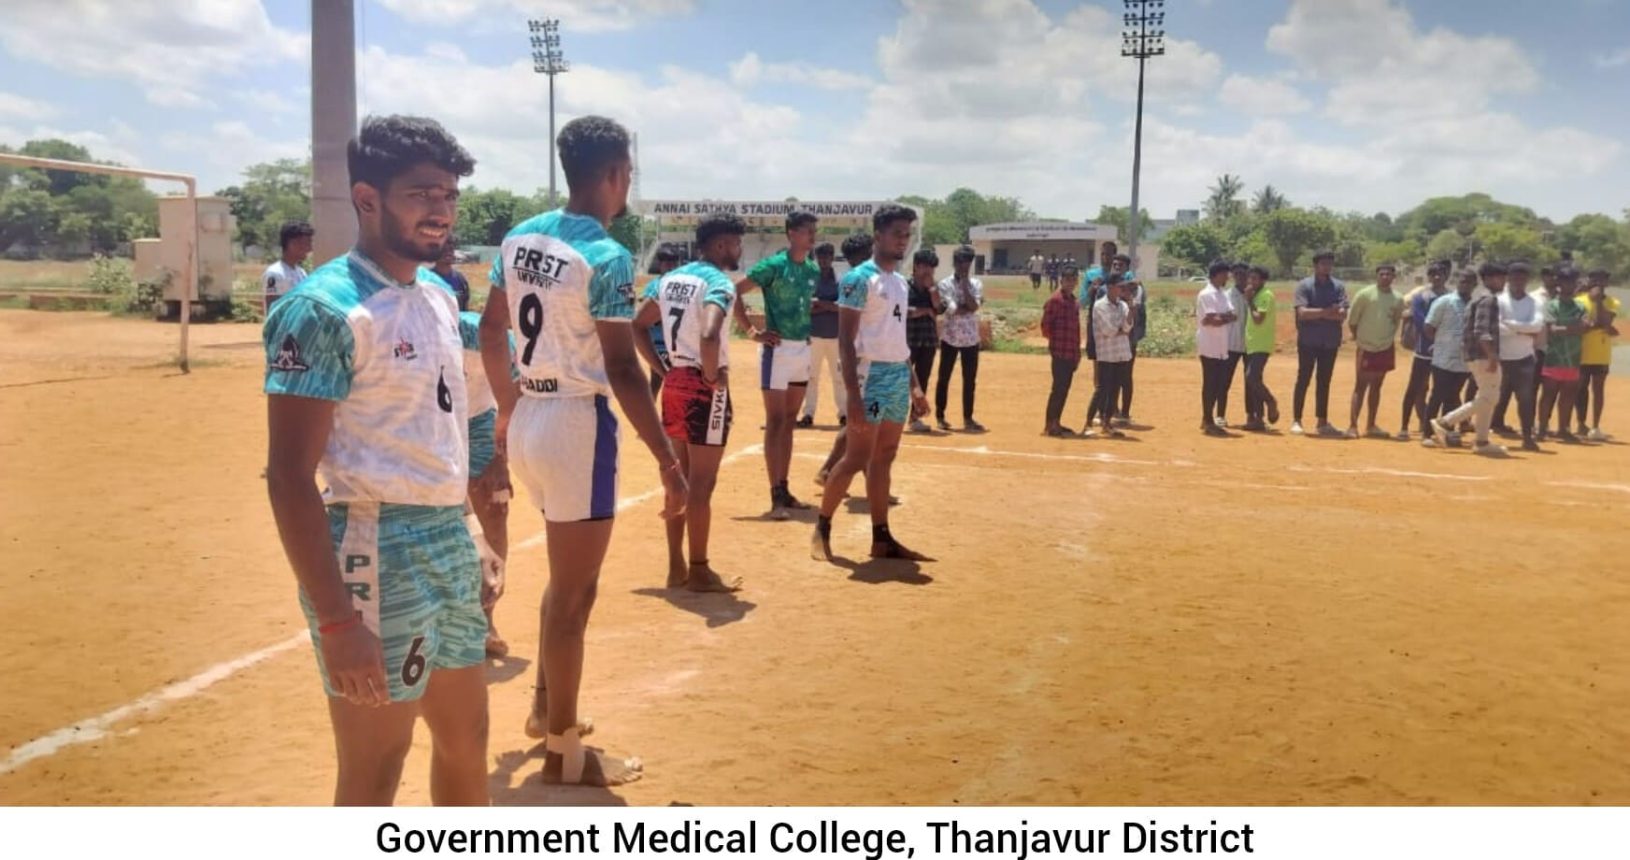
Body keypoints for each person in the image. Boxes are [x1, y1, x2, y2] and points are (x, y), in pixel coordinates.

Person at [262, 115, 488, 805]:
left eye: (449, 195)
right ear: (367, 199)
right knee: (376, 764)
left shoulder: (439, 297)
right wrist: (338, 621)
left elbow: (440, 428)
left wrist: (472, 530)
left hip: (444, 538)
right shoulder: (323, 309)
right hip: (373, 546)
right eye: (421, 194)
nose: (441, 211)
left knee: (467, 740)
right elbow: (289, 477)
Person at [480, 114, 686, 787]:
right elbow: (623, 368)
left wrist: (507, 407)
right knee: (575, 595)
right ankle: (564, 755)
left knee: (563, 584)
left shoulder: (519, 236)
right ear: (616, 174)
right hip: (577, 426)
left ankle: (549, 709)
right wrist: (668, 459)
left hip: (531, 415)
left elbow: (491, 329)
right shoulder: (606, 255)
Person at [632, 213, 747, 594]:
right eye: (735, 243)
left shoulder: (668, 279)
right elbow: (710, 335)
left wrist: (663, 370)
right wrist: (711, 377)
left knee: (677, 477)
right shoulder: (718, 282)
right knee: (701, 484)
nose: (739, 250)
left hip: (676, 382)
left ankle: (675, 565)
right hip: (703, 385)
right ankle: (699, 569)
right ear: (720, 244)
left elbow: (638, 324)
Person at [811, 204, 932, 562]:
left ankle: (881, 538)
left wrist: (914, 385)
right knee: (856, 457)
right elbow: (846, 341)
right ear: (878, 235)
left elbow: (897, 338)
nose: (903, 240)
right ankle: (822, 528)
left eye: (907, 234)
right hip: (871, 379)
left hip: (896, 376)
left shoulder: (900, 283)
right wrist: (853, 395)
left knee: (885, 456)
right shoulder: (859, 279)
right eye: (897, 234)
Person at [733, 210, 820, 520]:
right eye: (807, 230)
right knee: (775, 420)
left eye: (814, 230)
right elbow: (734, 291)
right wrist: (751, 331)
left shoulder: (812, 269)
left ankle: (784, 487)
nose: (813, 235)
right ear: (791, 233)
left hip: (802, 349)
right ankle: (775, 495)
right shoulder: (773, 266)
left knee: (789, 421)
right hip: (777, 350)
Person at [458, 309, 514, 658]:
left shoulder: (494, 340)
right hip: (430, 420)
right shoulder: (411, 336)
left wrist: (500, 459)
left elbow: (517, 400)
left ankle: (485, 619)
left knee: (495, 507)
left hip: (480, 419)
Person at [814, 233, 875, 485]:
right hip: (860, 359)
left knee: (866, 420)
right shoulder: (854, 281)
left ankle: (842, 472)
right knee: (862, 420)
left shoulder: (872, 280)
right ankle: (830, 469)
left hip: (872, 359)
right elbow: (847, 330)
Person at [1430, 262, 1506, 457]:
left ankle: (1481, 441)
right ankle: (1445, 422)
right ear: (1488, 279)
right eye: (1500, 277)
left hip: (1474, 354)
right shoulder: (1488, 299)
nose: (1503, 281)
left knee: (1486, 397)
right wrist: (1491, 355)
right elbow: (1481, 331)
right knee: (1489, 397)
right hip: (1482, 354)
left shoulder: (1477, 298)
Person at [1343, 263, 1404, 438]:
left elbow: (1396, 320)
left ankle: (1371, 425)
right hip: (1366, 346)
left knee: (1377, 386)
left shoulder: (1398, 299)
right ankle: (1352, 426)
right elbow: (1353, 321)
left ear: (1393, 277)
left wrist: (1387, 339)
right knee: (1360, 386)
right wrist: (1360, 339)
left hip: (1385, 346)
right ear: (1376, 276)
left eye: (1389, 274)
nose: (1385, 277)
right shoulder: (1365, 295)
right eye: (1382, 274)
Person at [1291, 250, 1348, 436]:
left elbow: (1342, 314)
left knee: (1324, 381)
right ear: (1315, 266)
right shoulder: (1304, 286)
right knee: (1303, 379)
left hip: (1330, 341)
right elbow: (1302, 313)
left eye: (1330, 264)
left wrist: (1318, 313)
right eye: (1323, 264)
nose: (1327, 267)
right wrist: (1327, 312)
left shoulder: (1338, 286)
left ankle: (1322, 422)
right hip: (1308, 340)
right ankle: (1297, 420)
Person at [1421, 269, 1477, 447]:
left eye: (1469, 282)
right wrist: (1442, 343)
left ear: (1475, 285)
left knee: (1453, 397)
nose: (1465, 285)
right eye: (1462, 281)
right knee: (1437, 394)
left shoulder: (1475, 305)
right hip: (1443, 359)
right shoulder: (1444, 301)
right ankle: (1427, 433)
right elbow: (1429, 327)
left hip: (1464, 361)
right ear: (1456, 282)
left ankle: (1447, 432)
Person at [1492, 260, 1544, 452]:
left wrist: (1511, 325)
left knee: (1526, 399)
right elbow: (1497, 327)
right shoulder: (1499, 300)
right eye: (1515, 277)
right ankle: (1486, 432)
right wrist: (1524, 330)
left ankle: (1527, 437)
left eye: (1522, 277)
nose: (1518, 281)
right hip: (1501, 358)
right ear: (1509, 278)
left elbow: (1537, 326)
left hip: (1524, 358)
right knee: (1492, 397)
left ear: (1527, 279)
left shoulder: (1534, 302)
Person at [1397, 259, 1450, 440]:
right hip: (1424, 351)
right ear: (1428, 277)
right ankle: (1404, 426)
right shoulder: (1421, 297)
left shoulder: (1451, 297)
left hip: (1445, 351)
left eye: (1440, 274)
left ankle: (1438, 427)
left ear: (1446, 276)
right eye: (1433, 274)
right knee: (1414, 388)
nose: (1437, 277)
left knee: (1443, 390)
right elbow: (1421, 323)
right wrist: (1436, 338)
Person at [1538, 266, 1591, 444]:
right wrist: (1575, 328)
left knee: (1568, 395)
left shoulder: (1581, 306)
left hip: (1573, 358)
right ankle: (1542, 428)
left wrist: (1565, 328)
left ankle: (1563, 429)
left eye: (1572, 282)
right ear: (1559, 283)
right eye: (1566, 281)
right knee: (1548, 395)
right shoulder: (1551, 305)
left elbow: (1586, 327)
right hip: (1554, 357)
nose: (1569, 285)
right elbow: (1552, 330)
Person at [935, 245, 985, 432]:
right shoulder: (944, 284)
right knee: (944, 377)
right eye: (961, 264)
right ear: (955, 263)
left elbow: (974, 307)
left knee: (969, 380)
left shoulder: (976, 284)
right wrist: (967, 307)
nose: (965, 268)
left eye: (968, 264)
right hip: (950, 336)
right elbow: (952, 309)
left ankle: (968, 418)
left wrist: (964, 287)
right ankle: (940, 416)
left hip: (971, 338)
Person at [799, 242, 844, 428]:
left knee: (839, 377)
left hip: (835, 336)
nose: (824, 260)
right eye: (821, 257)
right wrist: (830, 306)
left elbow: (843, 307)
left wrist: (821, 304)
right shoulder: (810, 280)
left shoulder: (840, 280)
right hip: (814, 335)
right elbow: (805, 308)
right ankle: (808, 413)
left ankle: (844, 414)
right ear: (816, 258)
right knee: (811, 377)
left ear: (832, 257)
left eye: (827, 256)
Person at [1574, 269, 1618, 440]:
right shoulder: (1579, 300)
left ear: (1607, 282)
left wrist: (1599, 302)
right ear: (1590, 280)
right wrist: (1601, 326)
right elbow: (1582, 325)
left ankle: (1595, 426)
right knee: (1580, 388)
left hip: (1601, 352)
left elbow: (1603, 321)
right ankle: (1581, 423)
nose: (1599, 282)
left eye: (1602, 279)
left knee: (1598, 389)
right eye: (1595, 279)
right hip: (1581, 351)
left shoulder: (1612, 302)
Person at [1195, 259, 1237, 437]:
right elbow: (1213, 320)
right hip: (1209, 344)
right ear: (1216, 275)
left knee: (1218, 383)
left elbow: (1232, 315)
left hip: (1221, 344)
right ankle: (1208, 419)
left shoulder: (1222, 293)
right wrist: (1222, 317)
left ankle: (1207, 419)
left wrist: (1220, 318)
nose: (1227, 277)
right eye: (1225, 274)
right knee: (1210, 383)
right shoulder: (1207, 294)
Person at [1092, 269, 1135, 438]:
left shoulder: (1123, 305)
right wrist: (1121, 329)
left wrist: (1131, 309)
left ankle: (1107, 423)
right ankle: (1090, 421)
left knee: (1115, 390)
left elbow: (1127, 327)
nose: (1123, 290)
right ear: (1110, 287)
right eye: (1120, 286)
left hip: (1120, 353)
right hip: (1106, 354)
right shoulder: (1100, 305)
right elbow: (1108, 330)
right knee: (1102, 390)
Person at [905, 248, 944, 433]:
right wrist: (926, 311)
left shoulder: (934, 288)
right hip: (907, 339)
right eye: (925, 267)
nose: (928, 271)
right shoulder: (904, 286)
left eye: (932, 268)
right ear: (916, 266)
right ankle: (891, 416)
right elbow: (903, 311)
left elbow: (939, 308)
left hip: (928, 340)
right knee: (901, 378)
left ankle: (915, 417)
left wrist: (932, 289)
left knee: (922, 379)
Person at [1041, 265, 1081, 437]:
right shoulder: (1055, 300)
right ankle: (1050, 424)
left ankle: (1056, 421)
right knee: (1058, 389)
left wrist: (1077, 353)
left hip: (1071, 352)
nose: (1070, 283)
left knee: (1064, 389)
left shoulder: (1074, 302)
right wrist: (1055, 342)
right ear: (1061, 281)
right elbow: (1045, 327)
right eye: (1067, 280)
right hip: (1059, 352)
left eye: (1073, 280)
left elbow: (1076, 330)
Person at [639, 243, 685, 396]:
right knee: (657, 379)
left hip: (679, 344)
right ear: (660, 265)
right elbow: (645, 316)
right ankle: (647, 410)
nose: (670, 266)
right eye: (666, 263)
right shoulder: (654, 286)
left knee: (677, 382)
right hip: (659, 344)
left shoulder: (683, 286)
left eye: (673, 263)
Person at [1241, 264, 1279, 431]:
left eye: (1255, 278)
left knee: (1251, 377)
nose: (1251, 281)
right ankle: (1258, 419)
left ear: (1263, 280)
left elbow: (1258, 319)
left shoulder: (1266, 295)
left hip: (1261, 344)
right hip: (1252, 343)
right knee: (1255, 381)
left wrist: (1249, 301)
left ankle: (1270, 401)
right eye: (1250, 278)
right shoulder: (1256, 295)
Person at [1218, 261, 1250, 428]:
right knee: (1224, 380)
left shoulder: (1253, 294)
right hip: (1231, 343)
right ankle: (1220, 414)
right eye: (1236, 274)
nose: (1240, 277)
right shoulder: (1227, 295)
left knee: (1251, 381)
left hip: (1251, 344)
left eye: (1243, 274)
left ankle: (1251, 416)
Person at [263, 220, 314, 313]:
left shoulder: (301, 273)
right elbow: (273, 310)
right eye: (307, 243)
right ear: (292, 244)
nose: (310, 248)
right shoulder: (275, 273)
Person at [434, 242, 471, 312]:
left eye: (451, 249)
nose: (448, 253)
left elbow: (465, 308)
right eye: (444, 250)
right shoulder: (426, 279)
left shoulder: (460, 279)